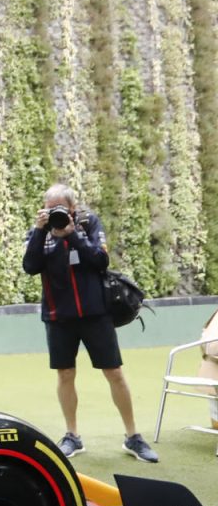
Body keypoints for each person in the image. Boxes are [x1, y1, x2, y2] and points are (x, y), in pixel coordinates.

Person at [22, 185, 157, 462]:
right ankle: (72, 436)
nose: (54, 213)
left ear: (72, 208)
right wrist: (40, 231)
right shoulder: (40, 231)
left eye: (59, 208)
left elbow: (101, 260)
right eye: (49, 208)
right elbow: (31, 266)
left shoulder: (88, 223)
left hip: (95, 313)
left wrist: (72, 235)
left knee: (115, 373)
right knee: (65, 374)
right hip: (58, 317)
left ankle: (133, 437)